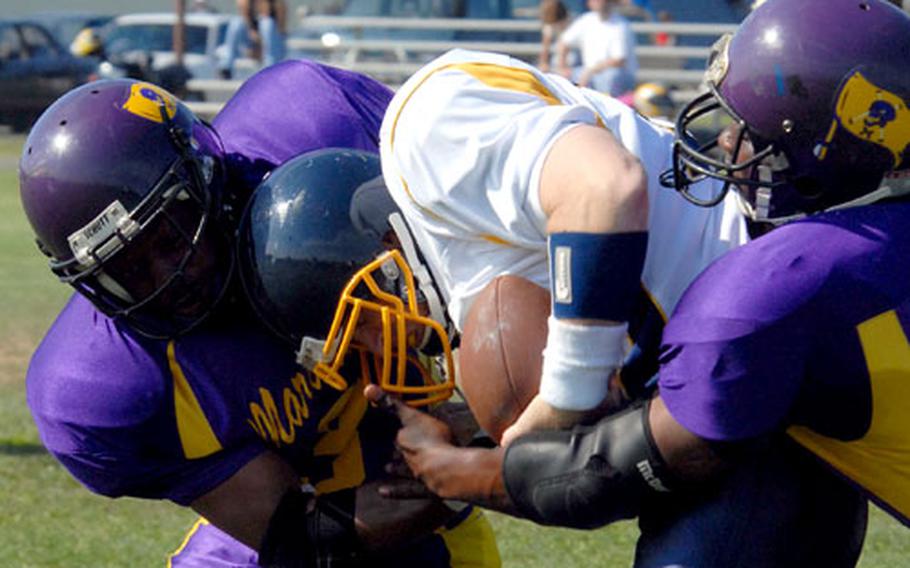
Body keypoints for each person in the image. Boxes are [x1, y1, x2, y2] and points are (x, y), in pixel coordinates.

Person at [368, 0, 910, 565]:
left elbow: (609, 472)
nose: (725, 143)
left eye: (750, 132)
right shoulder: (847, 246)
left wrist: (474, 466)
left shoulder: (770, 290)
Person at [20, 61, 498, 566]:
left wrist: (489, 428)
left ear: (205, 178)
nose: (169, 277)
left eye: (169, 236)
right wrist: (473, 472)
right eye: (129, 270)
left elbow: (476, 263)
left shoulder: (314, 127)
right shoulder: (97, 387)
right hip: (294, 529)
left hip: (422, 515)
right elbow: (302, 537)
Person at [556, 0, 638, 96]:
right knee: (565, 79)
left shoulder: (620, 25)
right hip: (590, 73)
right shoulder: (586, 20)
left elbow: (618, 60)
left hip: (615, 75)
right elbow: (564, 42)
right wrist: (562, 67)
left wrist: (589, 72)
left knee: (611, 76)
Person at [218, 0, 288, 80]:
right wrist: (251, 31)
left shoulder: (276, 4)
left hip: (271, 42)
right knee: (236, 24)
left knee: (267, 24)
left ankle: (270, 69)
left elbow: (281, 30)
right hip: (251, 37)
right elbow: (244, 12)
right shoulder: (247, 3)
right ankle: (226, 67)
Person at [537, 0, 574, 73]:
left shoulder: (571, 25)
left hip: (570, 63)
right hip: (557, 63)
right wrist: (543, 64)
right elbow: (545, 50)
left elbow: (563, 47)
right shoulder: (549, 27)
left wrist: (562, 67)